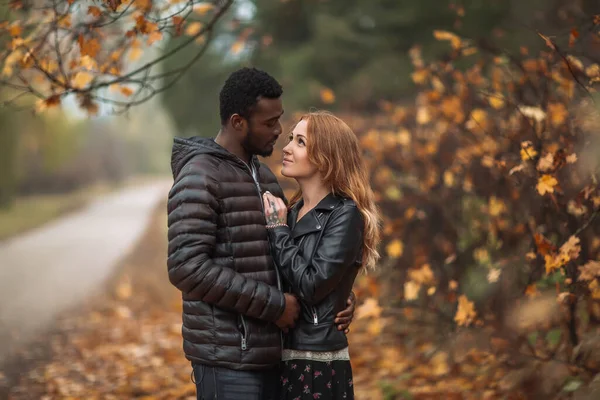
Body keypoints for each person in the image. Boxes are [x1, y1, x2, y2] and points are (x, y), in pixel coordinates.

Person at [166, 67, 356, 400]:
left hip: (274, 355)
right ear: (238, 122)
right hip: (226, 360)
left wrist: (336, 297)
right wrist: (274, 305)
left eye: (279, 119)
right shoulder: (199, 176)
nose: (278, 131)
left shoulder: (265, 178)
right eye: (269, 123)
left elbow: (291, 255)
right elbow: (186, 267)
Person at [262, 111, 381, 400]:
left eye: (300, 142)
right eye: (291, 138)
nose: (287, 147)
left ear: (325, 157)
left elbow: (312, 285)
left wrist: (277, 230)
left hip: (316, 360)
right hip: (279, 355)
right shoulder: (287, 212)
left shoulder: (345, 214)